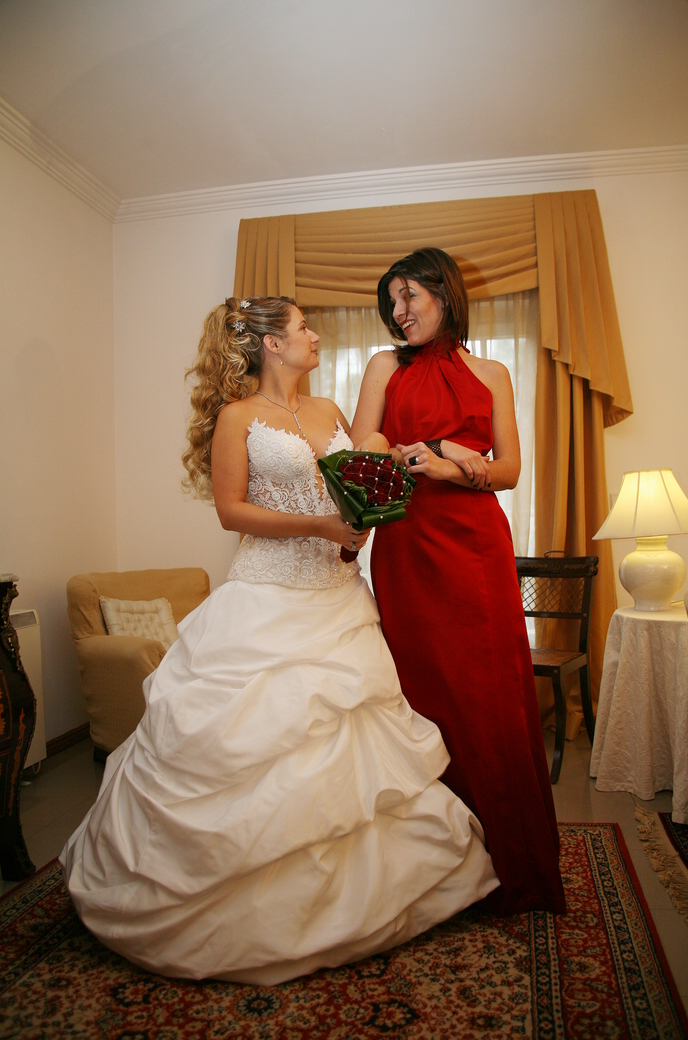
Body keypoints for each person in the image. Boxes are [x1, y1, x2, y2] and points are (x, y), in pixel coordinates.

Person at [60, 295, 499, 986]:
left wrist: (363, 522)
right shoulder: (238, 417)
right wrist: (319, 527)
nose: (313, 336)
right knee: (253, 747)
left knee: (353, 755)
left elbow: (356, 483)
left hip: (338, 599)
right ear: (270, 343)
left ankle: (361, 901)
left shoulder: (331, 412)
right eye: (302, 327)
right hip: (266, 598)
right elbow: (231, 509)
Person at [350, 248, 566, 914]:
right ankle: (435, 866)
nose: (399, 311)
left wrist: (451, 463)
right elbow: (359, 455)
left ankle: (511, 859)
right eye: (391, 301)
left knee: (489, 691)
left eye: (409, 295)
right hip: (408, 546)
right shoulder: (384, 366)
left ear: (444, 293)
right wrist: (409, 457)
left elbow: (510, 471)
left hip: (476, 548)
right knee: (422, 690)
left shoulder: (493, 373)